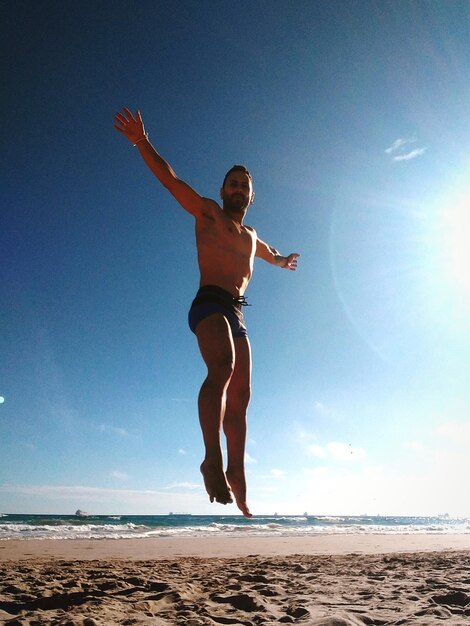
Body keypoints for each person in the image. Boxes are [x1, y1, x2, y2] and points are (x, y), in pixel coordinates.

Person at [114, 108, 300, 518]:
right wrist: (142, 142)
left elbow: (267, 253)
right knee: (222, 368)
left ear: (252, 196)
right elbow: (170, 180)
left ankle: (237, 468)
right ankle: (211, 460)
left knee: (243, 396)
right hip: (209, 304)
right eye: (232, 184)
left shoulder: (252, 236)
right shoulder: (208, 213)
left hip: (238, 313)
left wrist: (282, 259)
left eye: (244, 187)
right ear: (222, 190)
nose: (237, 189)